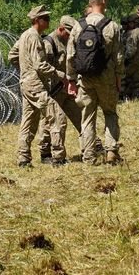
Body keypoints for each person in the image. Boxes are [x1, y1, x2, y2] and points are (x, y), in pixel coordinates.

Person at [66, 0, 124, 165]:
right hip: (106, 77)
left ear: (90, 3)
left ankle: (89, 156)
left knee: (88, 116)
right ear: (104, 1)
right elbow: (119, 57)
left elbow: (70, 55)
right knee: (110, 113)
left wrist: (71, 79)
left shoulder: (78, 25)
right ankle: (111, 150)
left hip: (85, 78)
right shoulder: (112, 26)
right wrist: (119, 77)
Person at [8, 5, 68, 167]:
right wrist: (61, 75)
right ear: (36, 20)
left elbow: (12, 55)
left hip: (27, 83)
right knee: (57, 116)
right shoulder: (34, 37)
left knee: (29, 121)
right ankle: (58, 157)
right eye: (45, 18)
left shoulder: (25, 35)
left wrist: (24, 69)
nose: (48, 21)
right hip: (35, 85)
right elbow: (40, 65)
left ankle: (24, 159)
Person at [37, 16, 85, 165]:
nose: (70, 35)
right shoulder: (49, 43)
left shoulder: (70, 41)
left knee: (80, 116)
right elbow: (42, 67)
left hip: (67, 88)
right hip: (54, 90)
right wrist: (60, 77)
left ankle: (92, 145)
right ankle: (49, 153)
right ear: (61, 28)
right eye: (68, 32)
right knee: (55, 122)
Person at [121, 14, 139, 99]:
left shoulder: (135, 32)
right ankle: (137, 96)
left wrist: (124, 59)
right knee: (135, 80)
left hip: (133, 61)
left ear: (133, 23)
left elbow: (131, 49)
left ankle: (125, 95)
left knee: (125, 79)